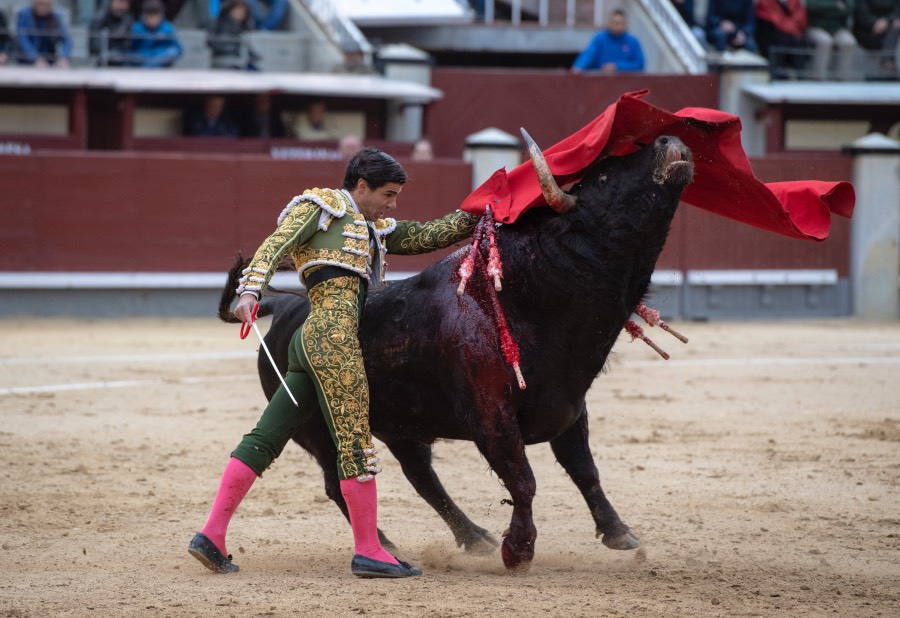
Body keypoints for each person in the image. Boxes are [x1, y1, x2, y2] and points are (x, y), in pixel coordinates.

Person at [187, 147, 479, 578]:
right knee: (356, 442)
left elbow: (427, 235)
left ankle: (211, 535)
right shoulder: (320, 208)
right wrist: (250, 291)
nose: (393, 204)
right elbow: (275, 244)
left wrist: (480, 211)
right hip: (335, 340)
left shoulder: (373, 227)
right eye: (388, 194)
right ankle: (369, 552)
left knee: (268, 435)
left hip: (309, 341)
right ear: (361, 185)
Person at [571, 8, 645, 73]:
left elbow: (639, 64)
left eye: (619, 23)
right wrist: (578, 67)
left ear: (625, 24)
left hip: (625, 84)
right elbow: (588, 54)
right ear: (609, 23)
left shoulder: (633, 42)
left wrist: (617, 67)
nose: (616, 26)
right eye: (614, 22)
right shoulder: (600, 38)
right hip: (601, 81)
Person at [755, 0, 812, 77]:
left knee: (800, 43)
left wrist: (792, 28)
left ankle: (801, 77)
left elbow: (800, 16)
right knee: (780, 42)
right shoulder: (766, 1)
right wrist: (791, 28)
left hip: (793, 34)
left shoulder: (795, 1)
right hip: (772, 34)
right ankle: (777, 77)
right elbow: (772, 17)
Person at [806, 0, 858, 80]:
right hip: (816, 26)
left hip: (837, 28)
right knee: (825, 41)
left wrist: (824, 10)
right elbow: (811, 6)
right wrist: (835, 5)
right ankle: (818, 78)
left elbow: (849, 8)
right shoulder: (836, 4)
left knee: (849, 42)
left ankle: (843, 79)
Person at [15, 0, 72, 67]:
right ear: (34, 3)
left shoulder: (55, 17)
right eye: (41, 4)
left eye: (47, 4)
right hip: (27, 61)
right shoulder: (24, 15)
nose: (44, 7)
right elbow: (23, 39)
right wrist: (35, 58)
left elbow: (66, 40)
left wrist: (64, 57)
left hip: (49, 61)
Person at [207, 0, 260, 70]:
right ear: (230, 10)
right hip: (221, 60)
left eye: (243, 11)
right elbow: (211, 41)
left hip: (240, 62)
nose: (240, 13)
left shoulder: (245, 28)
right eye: (237, 10)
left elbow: (248, 46)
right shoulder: (219, 24)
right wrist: (231, 48)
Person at [128, 0, 182, 68]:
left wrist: (160, 56)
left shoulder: (167, 28)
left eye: (156, 17)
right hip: (142, 59)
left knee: (172, 52)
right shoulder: (137, 28)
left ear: (161, 16)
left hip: (161, 59)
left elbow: (178, 49)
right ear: (144, 16)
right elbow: (132, 48)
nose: (153, 20)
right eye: (150, 17)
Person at [852, 0, 900, 72]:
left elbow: (897, 12)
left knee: (896, 27)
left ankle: (886, 62)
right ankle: (886, 62)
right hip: (867, 31)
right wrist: (875, 23)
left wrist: (886, 21)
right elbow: (862, 15)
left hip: (889, 31)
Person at [88, 0, 134, 66]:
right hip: (103, 63)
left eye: (126, 3)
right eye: (121, 2)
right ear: (112, 2)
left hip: (124, 62)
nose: (123, 6)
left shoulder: (127, 18)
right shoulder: (100, 18)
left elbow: (129, 44)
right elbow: (95, 47)